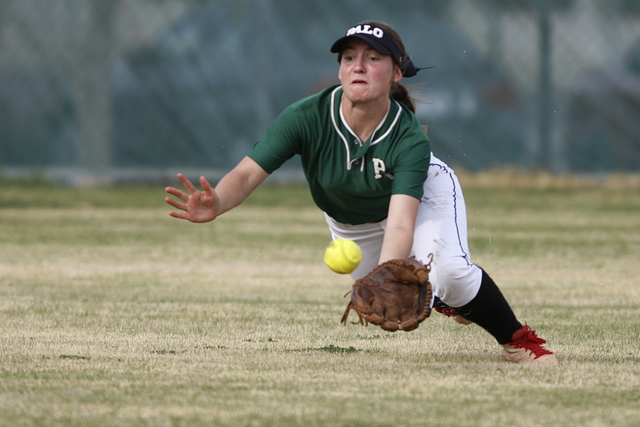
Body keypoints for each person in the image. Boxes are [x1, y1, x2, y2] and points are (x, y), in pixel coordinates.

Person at [165, 21, 558, 365]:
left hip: (425, 196)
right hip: (350, 220)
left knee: (450, 274)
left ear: (396, 73)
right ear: (339, 69)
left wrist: (389, 275)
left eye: (373, 58)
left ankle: (519, 341)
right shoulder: (307, 117)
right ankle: (440, 295)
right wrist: (218, 200)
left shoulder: (408, 139)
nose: (358, 65)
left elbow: (402, 220)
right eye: (349, 56)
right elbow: (248, 173)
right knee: (420, 284)